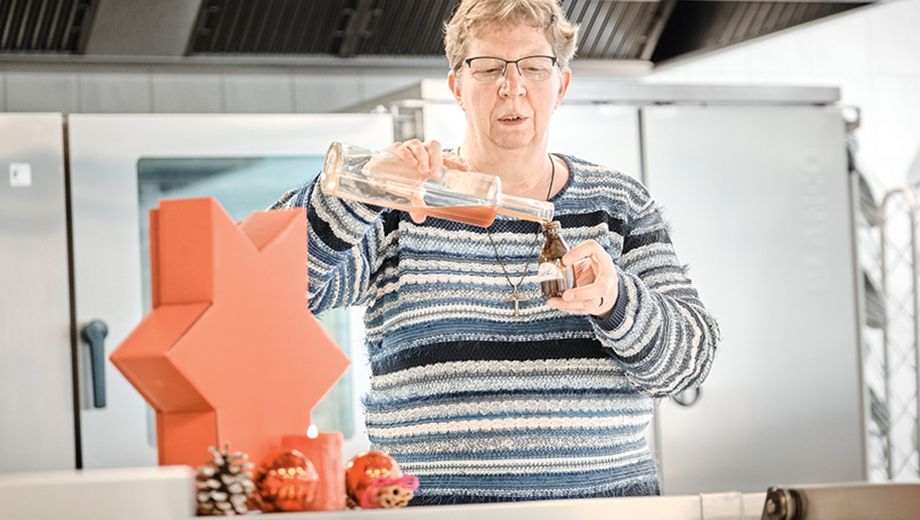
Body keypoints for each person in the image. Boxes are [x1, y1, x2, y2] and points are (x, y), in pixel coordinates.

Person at [273, 0, 719, 505]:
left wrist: (618, 300)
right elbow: (273, 285)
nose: (513, 86)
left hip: (606, 509)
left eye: (534, 67)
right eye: (488, 68)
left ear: (561, 86)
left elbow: (691, 360)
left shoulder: (618, 205)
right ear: (457, 87)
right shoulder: (403, 203)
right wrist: (355, 190)